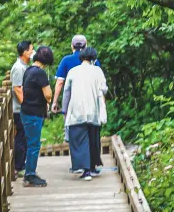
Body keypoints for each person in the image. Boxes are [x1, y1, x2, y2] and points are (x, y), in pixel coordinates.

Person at [62, 47, 107, 181]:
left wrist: (64, 110)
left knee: (79, 140)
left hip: (77, 110)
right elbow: (104, 89)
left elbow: (66, 92)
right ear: (93, 58)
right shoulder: (97, 71)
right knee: (93, 139)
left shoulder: (73, 71)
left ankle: (85, 171)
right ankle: (92, 167)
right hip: (93, 110)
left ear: (80, 58)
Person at [51, 35, 102, 144]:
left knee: (73, 130)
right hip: (91, 100)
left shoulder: (66, 60)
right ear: (86, 46)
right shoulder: (94, 61)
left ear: (72, 46)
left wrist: (54, 102)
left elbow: (60, 82)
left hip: (73, 102)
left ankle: (75, 148)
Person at [20, 46, 54, 187]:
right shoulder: (40, 73)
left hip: (26, 111)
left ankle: (30, 172)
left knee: (31, 144)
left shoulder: (28, 70)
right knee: (34, 145)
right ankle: (30, 176)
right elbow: (48, 94)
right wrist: (48, 100)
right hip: (34, 113)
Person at [10, 40, 33, 179]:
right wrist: (26, 105)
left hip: (22, 108)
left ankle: (20, 164)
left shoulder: (24, 66)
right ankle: (18, 166)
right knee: (21, 137)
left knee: (23, 137)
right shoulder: (19, 68)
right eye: (31, 49)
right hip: (19, 109)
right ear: (24, 52)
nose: (32, 52)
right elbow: (17, 89)